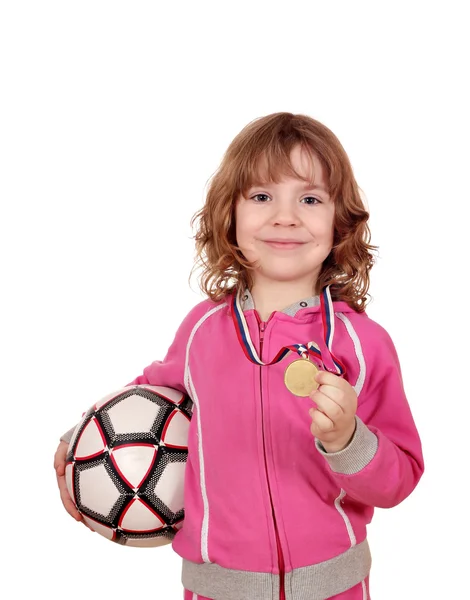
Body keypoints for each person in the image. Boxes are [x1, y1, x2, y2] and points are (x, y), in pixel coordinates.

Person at [54, 112, 424, 600]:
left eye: (310, 199)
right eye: (262, 196)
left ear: (342, 221)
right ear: (228, 214)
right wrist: (82, 441)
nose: (285, 216)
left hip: (334, 587)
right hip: (216, 589)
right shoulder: (201, 331)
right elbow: (149, 393)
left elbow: (400, 478)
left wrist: (348, 440)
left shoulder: (363, 344)